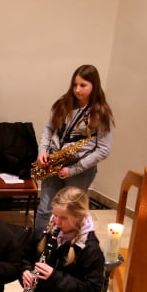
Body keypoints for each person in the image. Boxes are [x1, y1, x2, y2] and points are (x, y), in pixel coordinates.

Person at [33, 64, 114, 238]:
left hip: (79, 170)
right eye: (75, 85)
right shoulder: (63, 104)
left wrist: (73, 169)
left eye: (83, 85)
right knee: (45, 209)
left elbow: (104, 150)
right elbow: (49, 129)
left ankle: (63, 248)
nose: (77, 90)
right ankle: (37, 246)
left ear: (94, 86)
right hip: (53, 164)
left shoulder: (101, 113)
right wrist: (43, 151)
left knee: (70, 213)